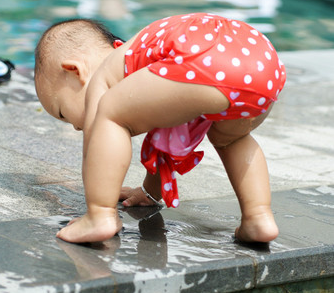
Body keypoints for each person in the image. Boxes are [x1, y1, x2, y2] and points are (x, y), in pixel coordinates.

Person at [34, 13, 287, 245]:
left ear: (75, 71)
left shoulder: (105, 73)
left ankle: (100, 217)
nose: (77, 127)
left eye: (63, 113)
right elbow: (166, 135)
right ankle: (258, 218)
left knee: (107, 113)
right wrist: (149, 192)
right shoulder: (153, 66)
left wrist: (98, 204)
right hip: (262, 64)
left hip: (209, 59)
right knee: (232, 139)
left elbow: (94, 142)